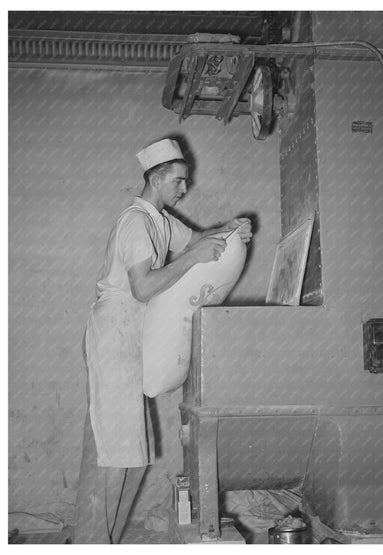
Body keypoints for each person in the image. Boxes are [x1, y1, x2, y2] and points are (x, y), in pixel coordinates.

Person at [72, 138, 252, 543]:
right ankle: (88, 543)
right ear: (156, 178)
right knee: (113, 451)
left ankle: (106, 541)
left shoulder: (160, 220)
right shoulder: (135, 221)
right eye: (179, 181)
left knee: (132, 454)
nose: (184, 189)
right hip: (115, 330)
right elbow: (142, 287)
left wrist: (232, 228)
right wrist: (192, 260)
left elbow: (197, 239)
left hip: (132, 333)